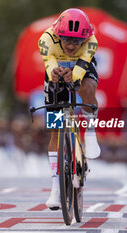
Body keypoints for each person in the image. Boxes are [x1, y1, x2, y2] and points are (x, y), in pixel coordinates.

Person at [38, 8, 101, 209]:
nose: (72, 45)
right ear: (58, 36)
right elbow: (49, 65)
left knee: (88, 89)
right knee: (56, 132)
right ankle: (56, 188)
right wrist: (56, 74)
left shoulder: (91, 41)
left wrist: (72, 76)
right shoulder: (45, 40)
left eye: (77, 41)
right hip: (56, 66)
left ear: (85, 38)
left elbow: (80, 72)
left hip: (81, 67)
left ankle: (90, 133)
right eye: (67, 40)